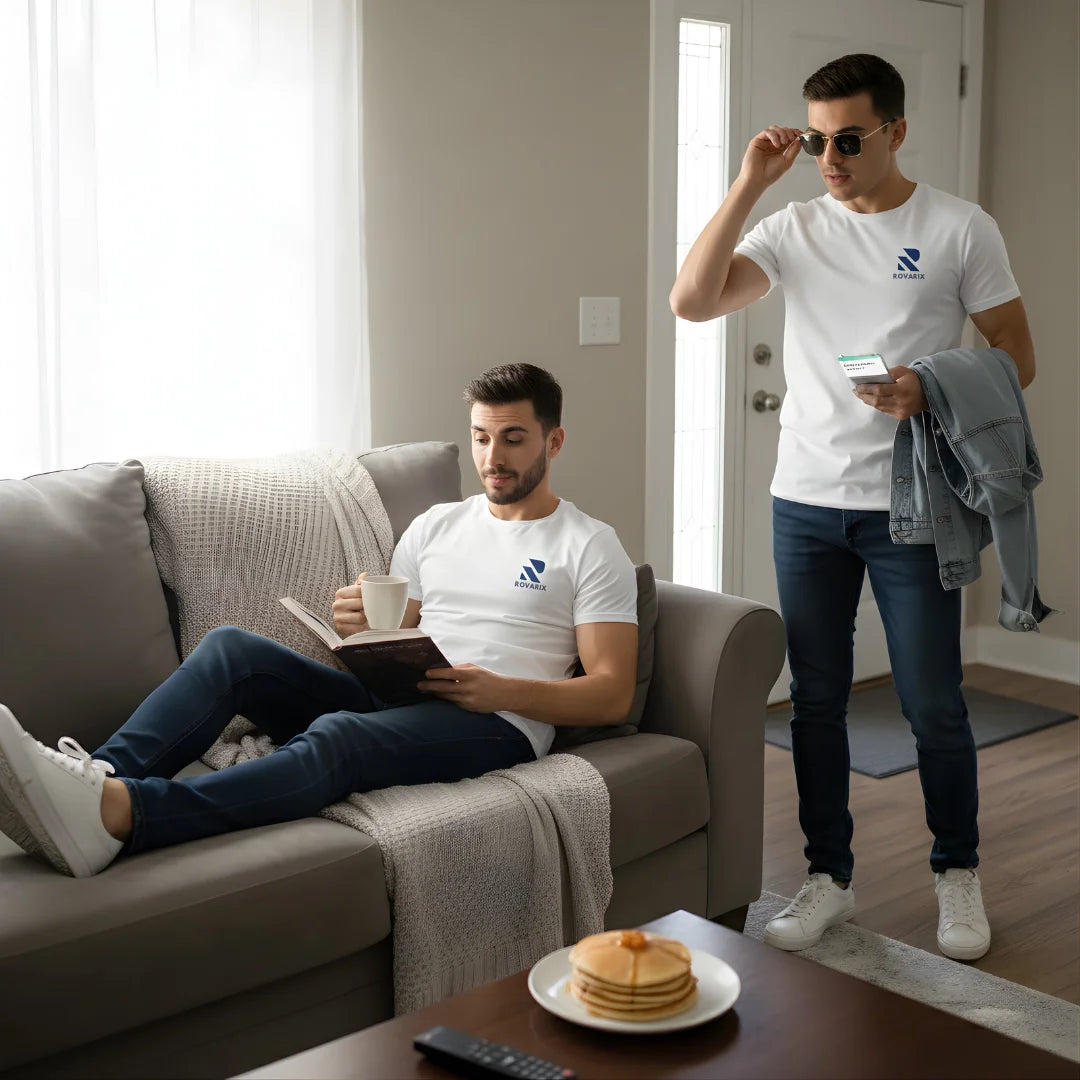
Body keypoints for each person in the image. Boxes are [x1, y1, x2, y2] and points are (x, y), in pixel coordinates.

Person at [670, 54, 1035, 961]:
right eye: (816, 140)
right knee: (816, 702)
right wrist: (751, 180)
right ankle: (828, 878)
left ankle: (958, 876)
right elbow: (690, 301)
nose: (828, 157)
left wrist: (930, 388)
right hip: (805, 499)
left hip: (911, 503)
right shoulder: (793, 226)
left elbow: (1018, 356)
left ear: (896, 132)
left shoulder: (958, 228)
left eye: (848, 139)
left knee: (932, 702)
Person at [0, 363, 639, 878]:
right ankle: (95, 780)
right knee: (232, 651)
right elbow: (404, 632)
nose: (492, 456)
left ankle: (126, 814)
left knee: (337, 737)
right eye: (481, 436)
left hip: (498, 722)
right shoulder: (437, 525)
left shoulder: (587, 544)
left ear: (553, 441)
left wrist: (502, 690)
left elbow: (611, 692)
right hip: (404, 697)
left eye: (513, 438)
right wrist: (360, 628)